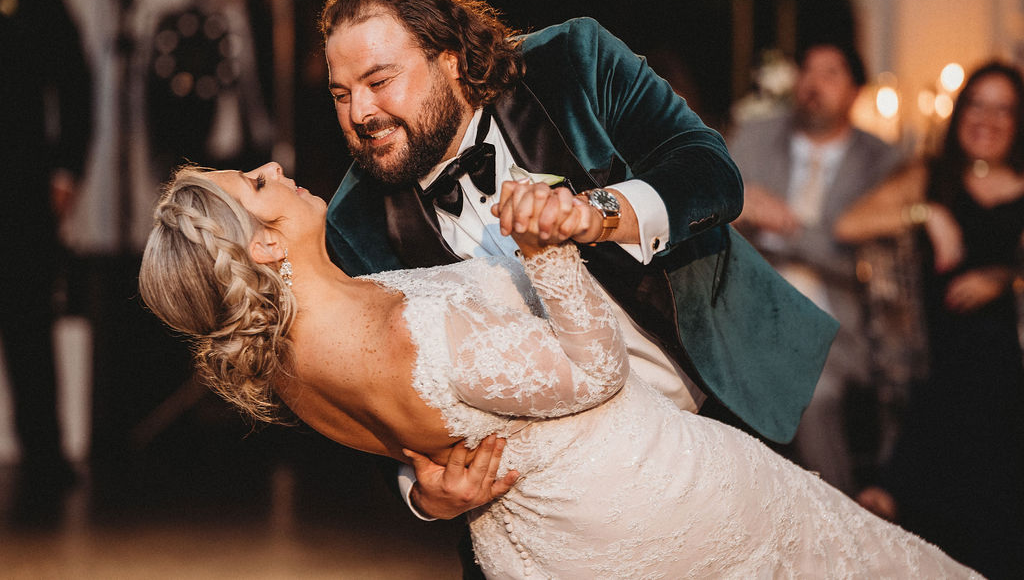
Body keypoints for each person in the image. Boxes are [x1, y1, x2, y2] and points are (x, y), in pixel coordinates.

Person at [139, 160, 980, 578]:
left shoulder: (287, 360)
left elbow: (416, 440)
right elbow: (593, 370)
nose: (278, 168)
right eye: (256, 182)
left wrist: (427, 493)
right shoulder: (390, 327)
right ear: (265, 244)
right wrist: (545, 251)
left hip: (537, 545)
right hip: (647, 490)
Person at [835, 60, 1024, 578]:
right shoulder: (932, 176)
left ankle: (896, 490)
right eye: (977, 104)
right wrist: (928, 213)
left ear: (1019, 120)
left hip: (1009, 349)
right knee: (974, 364)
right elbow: (850, 222)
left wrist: (1005, 279)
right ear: (960, 113)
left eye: (1003, 108)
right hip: (933, 345)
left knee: (991, 359)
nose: (987, 118)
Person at [728, 42, 906, 495]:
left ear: (856, 91)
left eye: (830, 73)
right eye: (807, 70)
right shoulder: (754, 136)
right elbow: (710, 208)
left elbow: (863, 258)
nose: (813, 82)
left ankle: (844, 520)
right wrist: (739, 204)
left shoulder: (883, 162)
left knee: (811, 386)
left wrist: (784, 225)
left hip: (836, 325)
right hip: (747, 306)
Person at [0, 0, 91, 523]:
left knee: (29, 326)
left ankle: (45, 459)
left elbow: (78, 88)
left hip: (21, 192)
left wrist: (67, 171)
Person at [146, 0, 274, 179]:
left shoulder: (260, 19)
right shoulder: (181, 25)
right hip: (201, 147)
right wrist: (163, 154)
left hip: (259, 143)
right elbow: (159, 96)